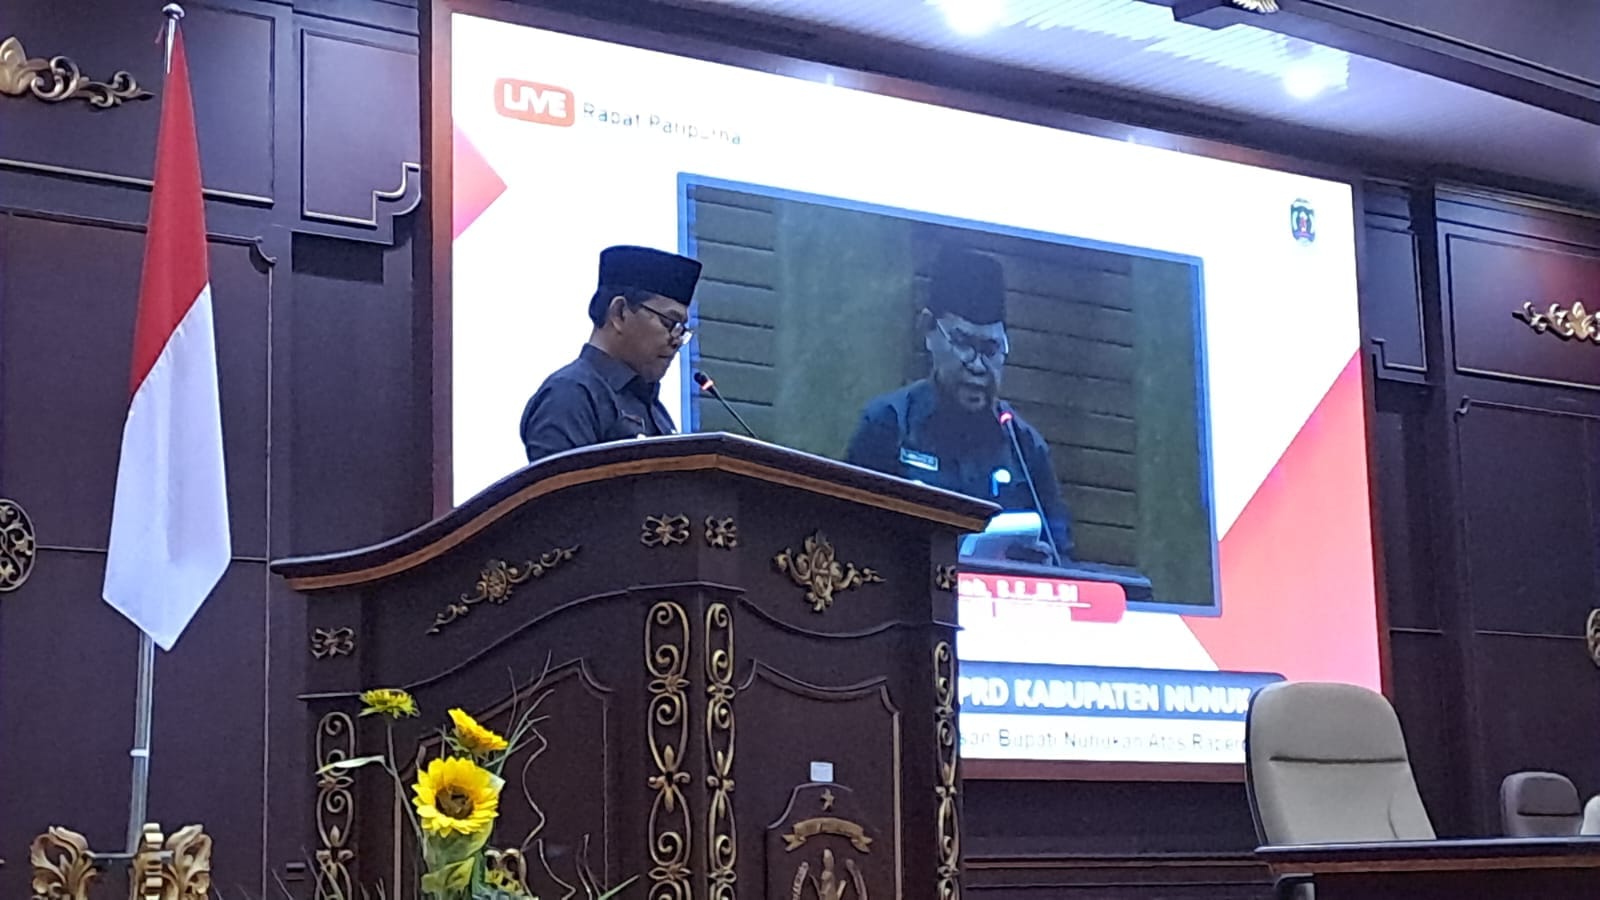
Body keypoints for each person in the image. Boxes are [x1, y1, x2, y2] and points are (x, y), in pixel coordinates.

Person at [844, 246, 1074, 562]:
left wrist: (1045, 564)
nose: (977, 365)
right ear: (928, 330)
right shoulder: (888, 424)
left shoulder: (1024, 446)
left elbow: (1062, 557)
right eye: (964, 343)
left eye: (991, 350)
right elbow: (848, 540)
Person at [519, 245, 701, 463]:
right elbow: (562, 485)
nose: (677, 341)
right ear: (619, 313)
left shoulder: (653, 408)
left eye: (682, 330)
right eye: (669, 323)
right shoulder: (569, 394)